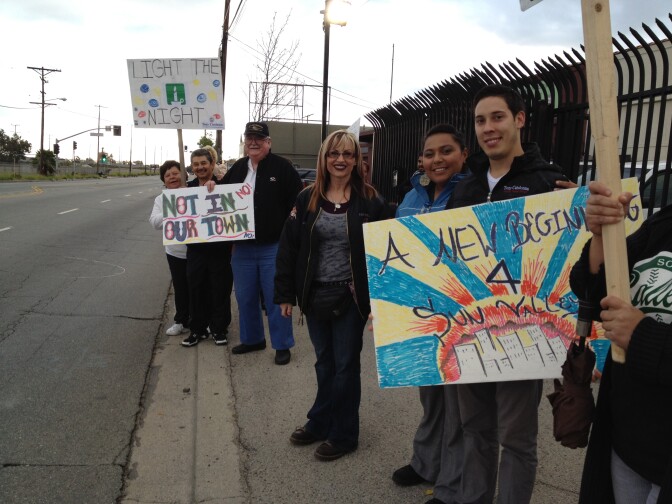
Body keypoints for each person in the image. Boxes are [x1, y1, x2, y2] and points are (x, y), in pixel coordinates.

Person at [445, 84, 570, 504]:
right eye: (480, 121)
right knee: (474, 431)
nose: (487, 128)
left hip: (526, 333)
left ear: (519, 120)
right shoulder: (465, 189)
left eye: (497, 117)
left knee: (517, 440)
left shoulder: (549, 183)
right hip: (470, 332)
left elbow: (574, 261)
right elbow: (444, 262)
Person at [274, 130, 391, 461]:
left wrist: (381, 303)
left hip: (352, 300)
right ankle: (320, 421)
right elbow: (289, 248)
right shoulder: (307, 198)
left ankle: (344, 434)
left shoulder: (371, 201)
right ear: (324, 158)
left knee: (345, 367)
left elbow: (386, 253)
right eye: (334, 154)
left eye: (348, 154)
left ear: (356, 160)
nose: (340, 160)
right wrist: (284, 294)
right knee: (324, 363)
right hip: (315, 297)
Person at [570, 181, 672, 504]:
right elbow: (599, 292)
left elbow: (635, 330)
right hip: (627, 441)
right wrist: (602, 235)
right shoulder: (663, 224)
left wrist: (642, 335)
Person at [391, 124, 468, 503]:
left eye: (446, 151)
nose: (437, 160)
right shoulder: (409, 198)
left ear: (463, 155)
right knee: (430, 396)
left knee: (456, 405)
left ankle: (451, 483)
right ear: (421, 159)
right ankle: (425, 462)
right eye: (430, 153)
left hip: (461, 316)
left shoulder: (472, 194)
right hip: (422, 314)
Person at [223, 122, 302, 365]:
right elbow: (219, 198)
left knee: (275, 297)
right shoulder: (237, 167)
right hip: (242, 247)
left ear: (268, 142)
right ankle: (253, 339)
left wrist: (291, 224)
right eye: (250, 138)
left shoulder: (283, 167)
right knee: (245, 296)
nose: (254, 142)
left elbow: (299, 200)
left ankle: (281, 345)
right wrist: (210, 187)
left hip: (273, 247)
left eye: (259, 138)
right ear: (245, 142)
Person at [182, 148, 233, 348]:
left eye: (204, 163)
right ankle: (197, 330)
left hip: (219, 250)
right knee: (195, 289)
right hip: (195, 250)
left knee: (220, 289)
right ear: (192, 167)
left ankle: (219, 329)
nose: (200, 167)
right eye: (196, 164)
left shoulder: (223, 187)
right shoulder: (187, 189)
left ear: (212, 164)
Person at [149, 160, 190, 336]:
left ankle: (203, 320)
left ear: (183, 175)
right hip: (175, 252)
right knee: (180, 288)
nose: (172, 177)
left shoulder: (195, 192)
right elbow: (155, 222)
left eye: (175, 173)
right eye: (168, 175)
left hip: (198, 252)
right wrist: (173, 206)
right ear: (163, 181)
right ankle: (181, 320)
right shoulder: (161, 200)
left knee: (201, 287)